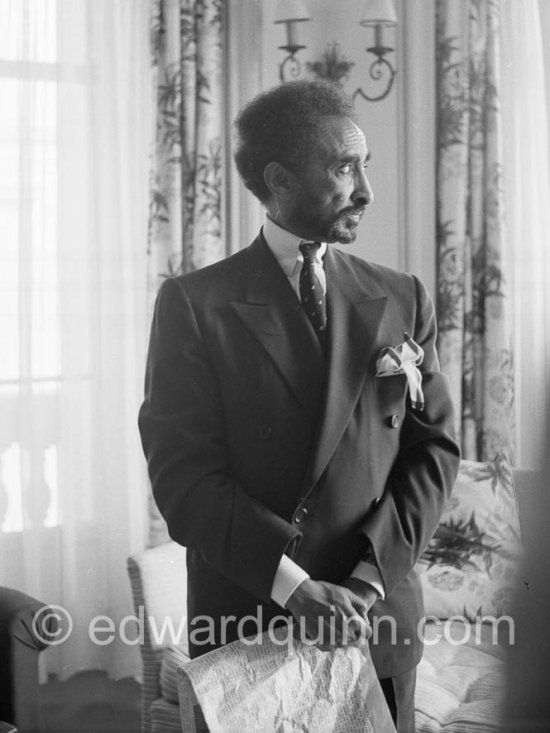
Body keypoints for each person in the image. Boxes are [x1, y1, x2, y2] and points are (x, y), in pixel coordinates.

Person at [139, 80, 460, 732]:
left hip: (378, 625)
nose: (366, 189)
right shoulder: (196, 305)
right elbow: (183, 480)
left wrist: (368, 581)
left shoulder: (402, 297)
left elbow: (434, 451)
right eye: (344, 168)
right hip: (249, 624)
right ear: (279, 180)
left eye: (365, 164)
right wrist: (293, 586)